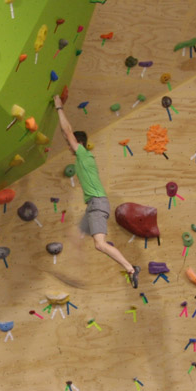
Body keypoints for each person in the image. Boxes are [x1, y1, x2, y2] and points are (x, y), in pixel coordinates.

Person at [52, 94, 139, 288]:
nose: (68, 147)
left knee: (100, 244)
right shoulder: (82, 158)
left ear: (79, 143)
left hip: (98, 204)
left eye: (70, 144)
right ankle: (78, 272)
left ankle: (130, 268)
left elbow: (67, 131)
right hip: (93, 204)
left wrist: (59, 108)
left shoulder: (83, 154)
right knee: (75, 237)